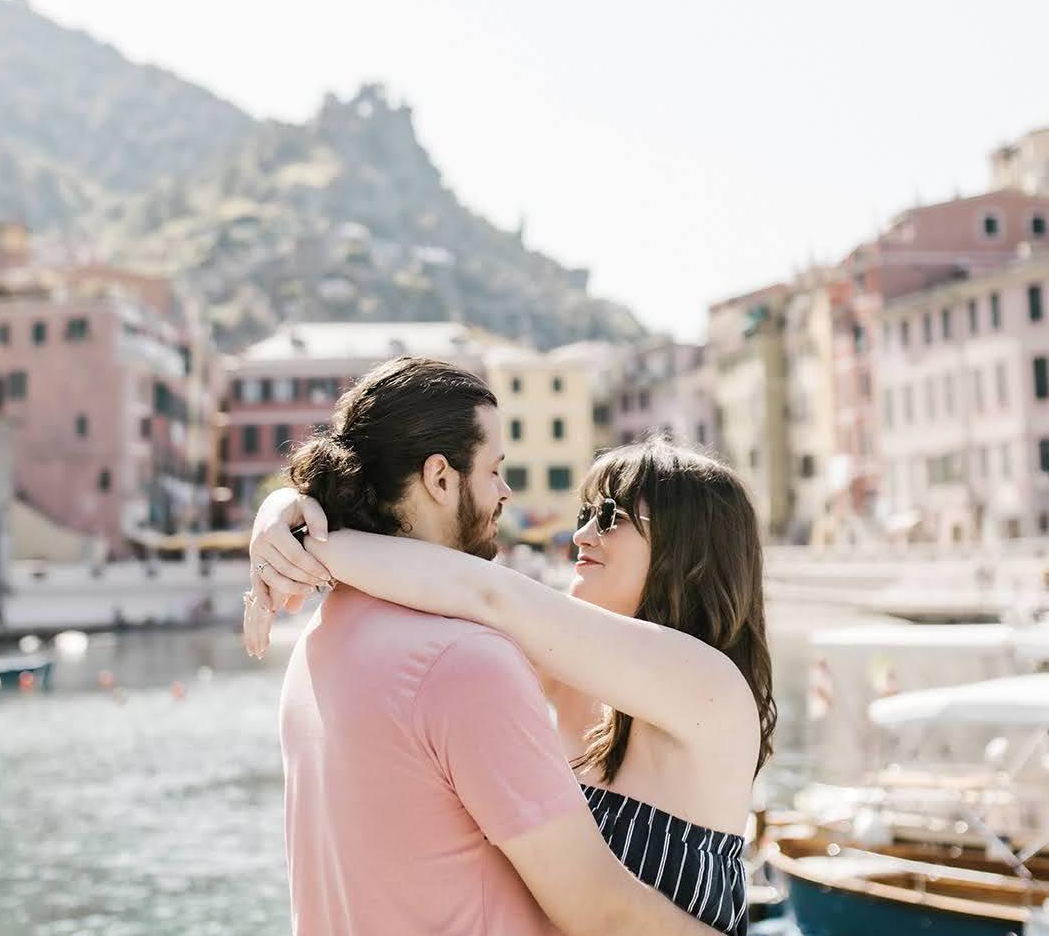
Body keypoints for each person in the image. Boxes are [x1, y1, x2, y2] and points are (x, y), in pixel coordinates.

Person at [250, 369, 775, 935]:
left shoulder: (711, 685)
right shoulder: (571, 681)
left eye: (610, 518)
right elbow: (451, 595)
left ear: (689, 549)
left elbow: (482, 593)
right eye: (584, 514)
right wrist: (285, 511)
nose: (581, 536)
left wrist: (307, 543)